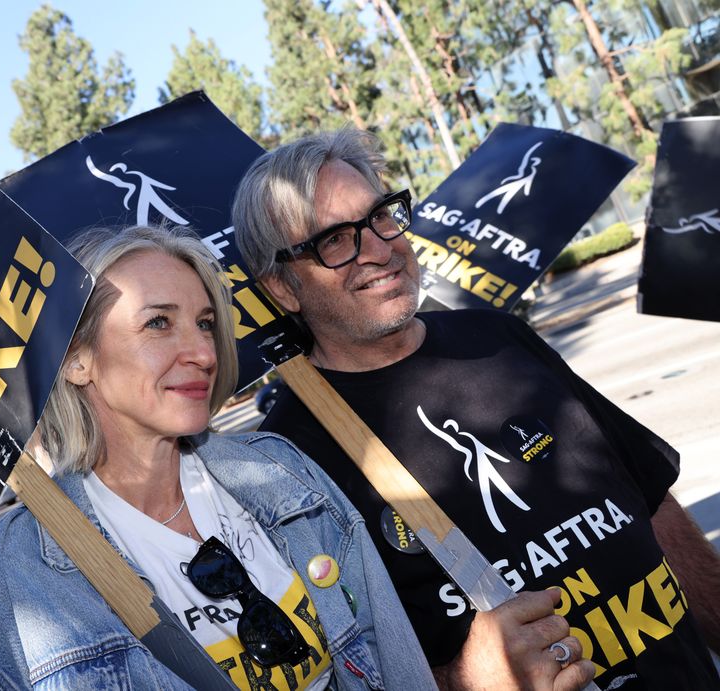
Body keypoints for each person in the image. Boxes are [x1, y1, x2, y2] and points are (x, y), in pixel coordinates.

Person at [232, 128, 720, 690]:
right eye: (334, 240)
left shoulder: (499, 335)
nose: (380, 249)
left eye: (381, 217)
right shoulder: (286, 463)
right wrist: (466, 680)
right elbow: (339, 674)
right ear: (283, 287)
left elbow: (649, 500)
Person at [0, 225, 439, 689]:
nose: (204, 352)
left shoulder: (281, 472)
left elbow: (394, 659)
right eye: (158, 323)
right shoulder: (6, 585)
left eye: (205, 322)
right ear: (78, 359)